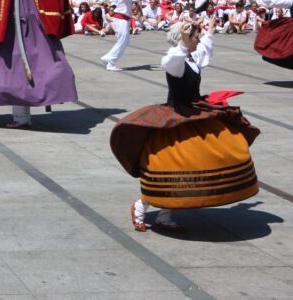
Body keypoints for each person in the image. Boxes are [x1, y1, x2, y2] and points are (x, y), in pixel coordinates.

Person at [111, 21, 260, 233]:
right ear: (184, 39)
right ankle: (140, 206)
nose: (197, 40)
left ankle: (165, 215)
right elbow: (170, 61)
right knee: (170, 167)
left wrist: (209, 31)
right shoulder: (176, 59)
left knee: (188, 167)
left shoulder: (191, 58)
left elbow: (205, 51)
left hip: (194, 113)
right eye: (195, 37)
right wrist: (183, 40)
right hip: (178, 117)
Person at [101, 0, 142, 71]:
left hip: (124, 19)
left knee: (124, 41)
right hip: (121, 19)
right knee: (123, 41)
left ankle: (107, 58)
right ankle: (110, 62)